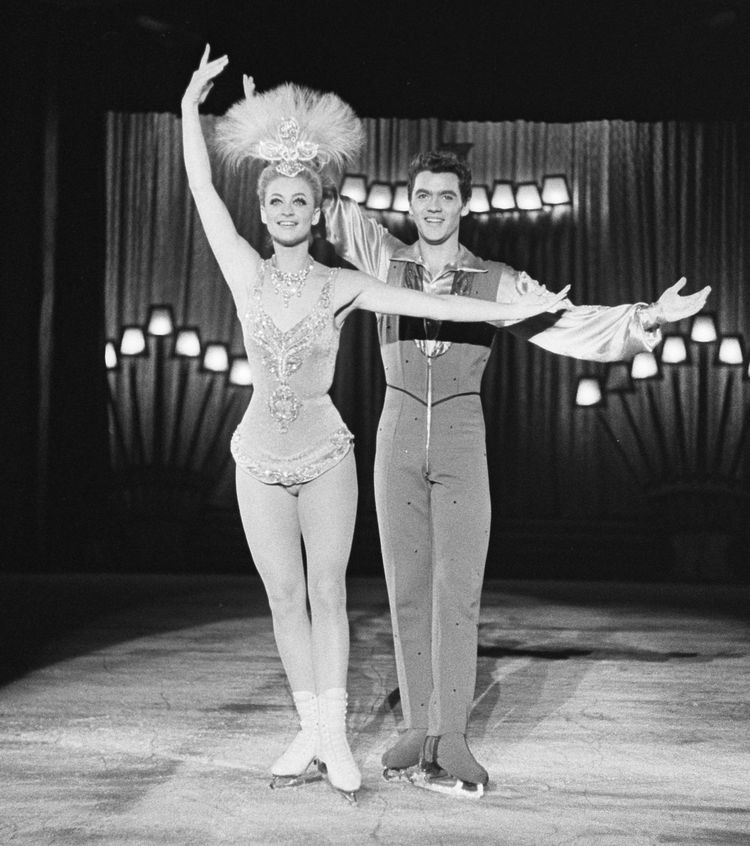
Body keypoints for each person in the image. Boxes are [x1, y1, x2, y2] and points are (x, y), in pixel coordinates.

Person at [181, 48, 570, 802]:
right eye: (275, 201)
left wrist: (517, 307)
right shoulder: (242, 269)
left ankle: (335, 739)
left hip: (327, 451)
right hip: (257, 452)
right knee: (283, 597)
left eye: (300, 201)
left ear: (316, 211)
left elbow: (438, 304)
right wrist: (190, 107)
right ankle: (310, 728)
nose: (286, 211)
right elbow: (201, 187)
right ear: (261, 211)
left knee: (329, 593)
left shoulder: (343, 283)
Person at [324, 150, 711, 797]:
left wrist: (649, 316)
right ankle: (417, 727)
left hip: (461, 440)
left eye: (447, 196)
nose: (434, 206)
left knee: (458, 590)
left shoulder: (496, 279)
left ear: (463, 203)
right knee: (407, 589)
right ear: (410, 202)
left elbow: (567, 325)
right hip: (395, 442)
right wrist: (294, 146)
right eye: (424, 195)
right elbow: (330, 211)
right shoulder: (383, 257)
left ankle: (451, 737)